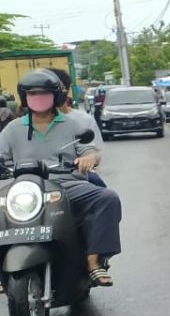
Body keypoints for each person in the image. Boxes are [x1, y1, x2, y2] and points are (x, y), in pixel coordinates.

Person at [0, 70, 121, 286]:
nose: (38, 97)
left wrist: (89, 158)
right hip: (24, 188)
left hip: (65, 184)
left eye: (44, 93)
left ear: (55, 95)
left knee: (107, 198)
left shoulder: (72, 124)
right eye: (33, 93)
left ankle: (94, 261)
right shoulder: (13, 128)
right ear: (24, 96)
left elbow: (90, 150)